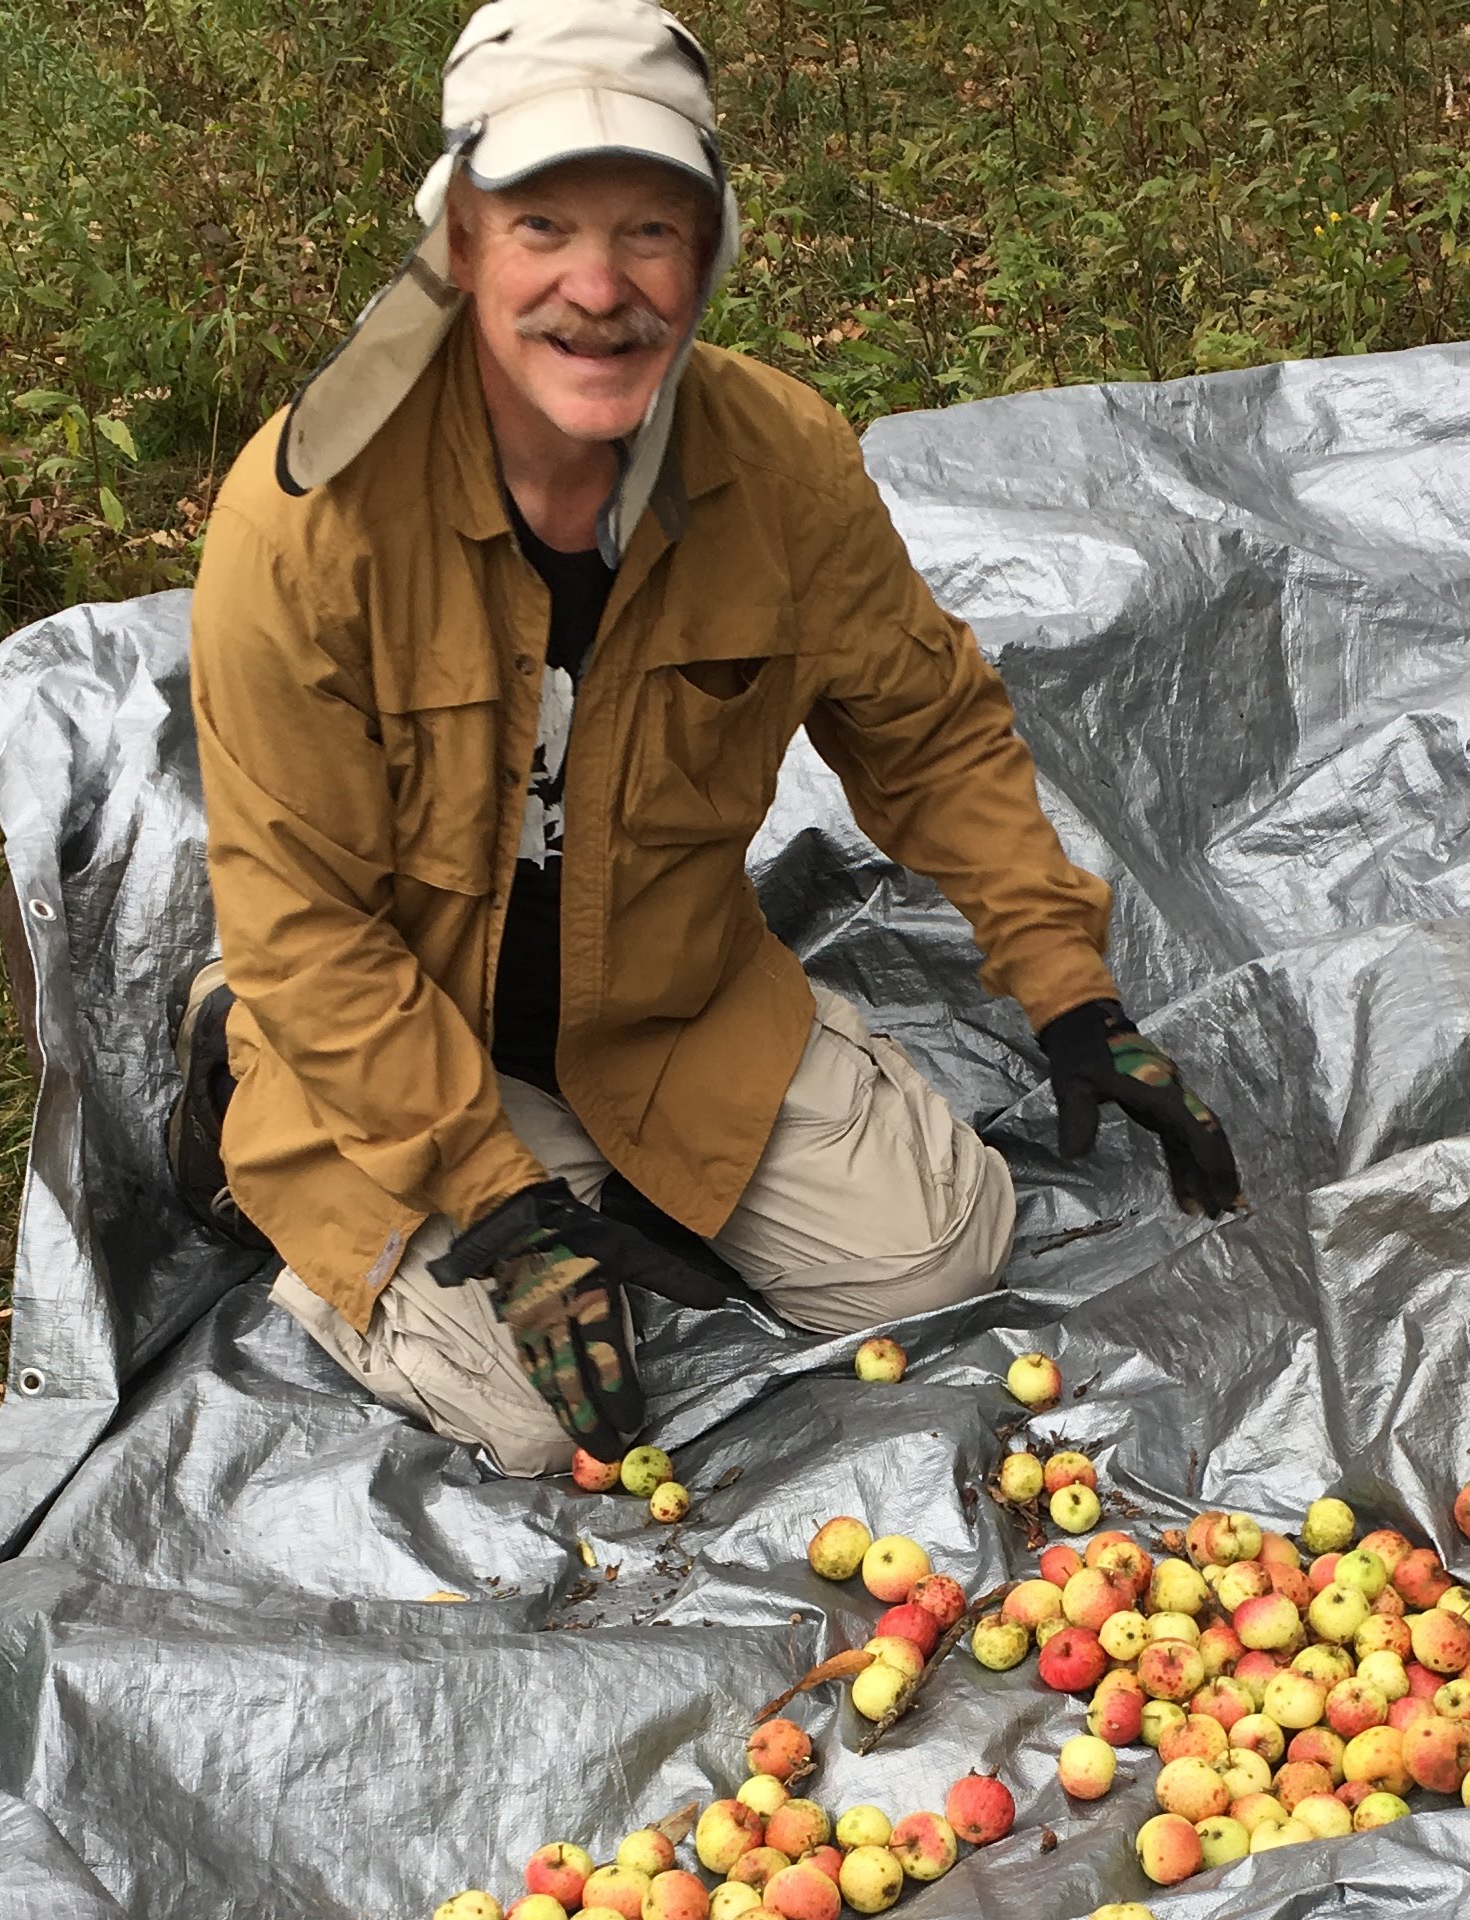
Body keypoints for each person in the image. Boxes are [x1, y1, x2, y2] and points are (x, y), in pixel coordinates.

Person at [173, 0, 1239, 1473]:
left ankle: (596, 1156)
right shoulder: (307, 524)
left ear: (711, 252)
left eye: (652, 231)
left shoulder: (783, 466)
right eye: (542, 225)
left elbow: (926, 729)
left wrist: (1071, 992)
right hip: (391, 1013)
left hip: (659, 1007)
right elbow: (306, 916)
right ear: (460, 248)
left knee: (940, 1260)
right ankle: (245, 1054)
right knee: (538, 1426)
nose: (598, 288)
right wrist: (495, 1206)